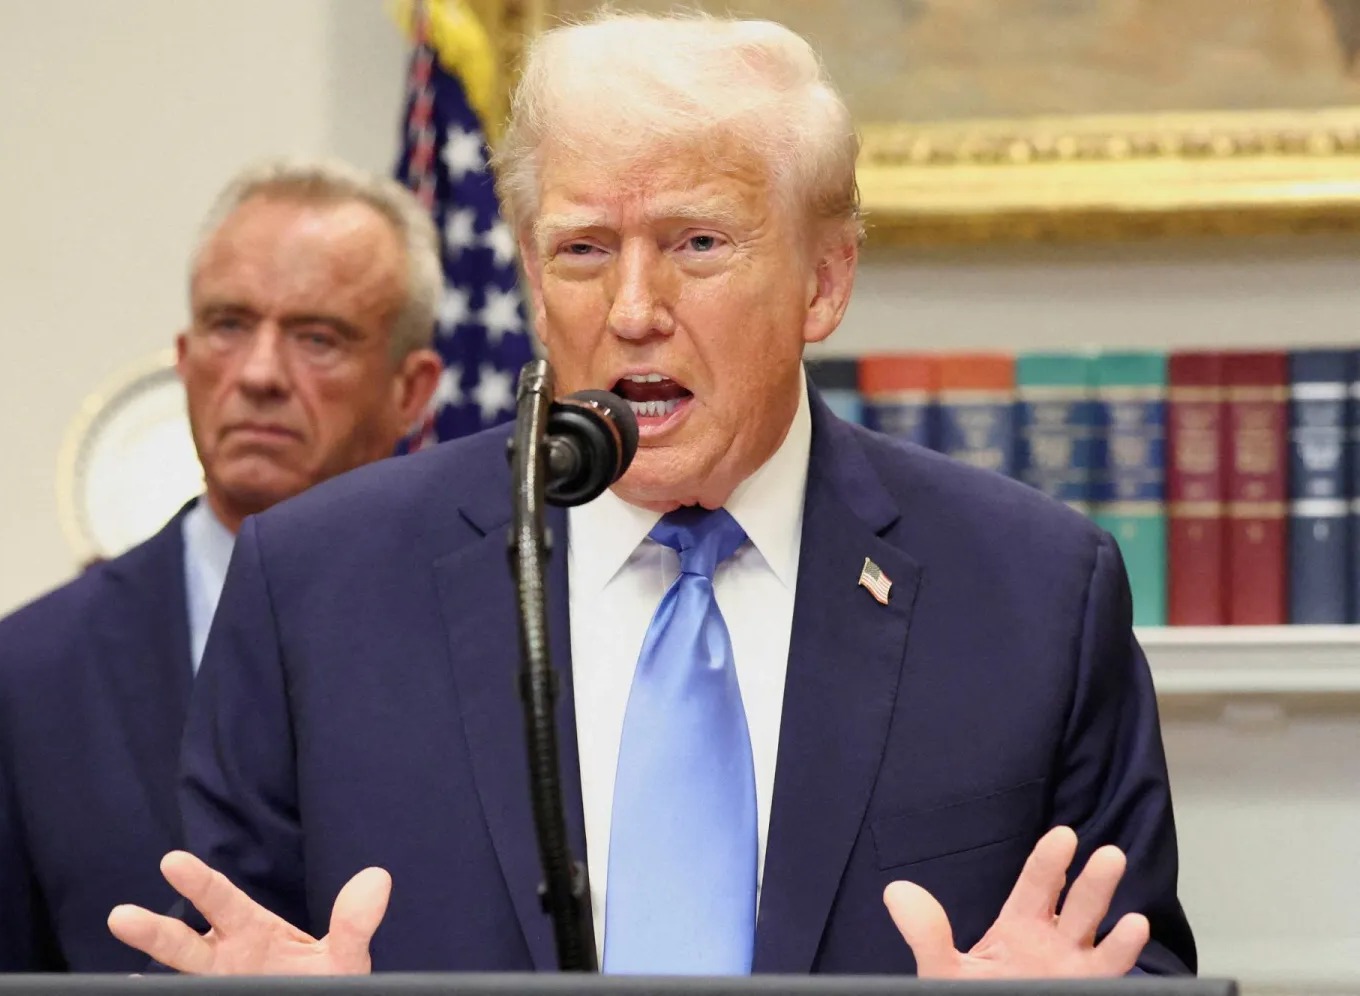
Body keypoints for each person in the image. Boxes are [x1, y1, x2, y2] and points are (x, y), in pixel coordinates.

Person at [108, 13, 1196, 978]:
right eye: (582, 250)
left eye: (698, 243)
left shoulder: (1035, 594)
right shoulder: (314, 589)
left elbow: (1134, 960)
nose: (633, 308)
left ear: (824, 281)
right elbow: (213, 948)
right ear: (533, 285)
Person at [0, 158, 444, 972]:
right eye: (228, 326)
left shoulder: (496, 638)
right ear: (185, 354)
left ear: (411, 391)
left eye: (318, 338)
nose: (260, 375)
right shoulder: (23, 675)